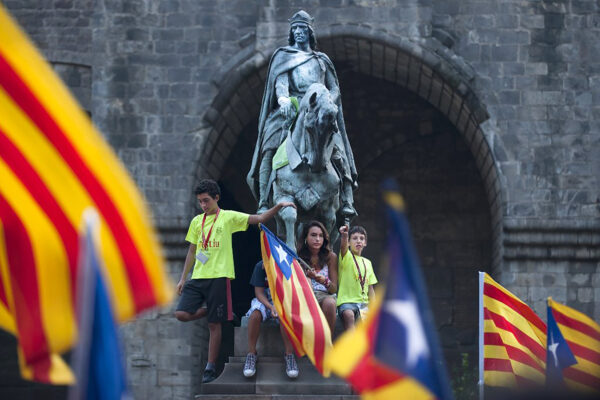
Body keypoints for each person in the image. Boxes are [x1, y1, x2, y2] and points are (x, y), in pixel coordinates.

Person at [174, 179, 295, 384]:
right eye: (200, 202)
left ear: (216, 198)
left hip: (220, 276)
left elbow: (259, 218)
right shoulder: (197, 222)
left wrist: (279, 206)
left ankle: (210, 367)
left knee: (214, 324)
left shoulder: (228, 218)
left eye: (206, 201)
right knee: (181, 314)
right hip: (199, 276)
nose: (203, 205)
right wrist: (183, 278)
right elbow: (192, 251)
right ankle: (221, 311)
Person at [247, 9, 357, 217]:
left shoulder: (321, 60)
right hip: (293, 107)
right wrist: (283, 99)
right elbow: (281, 83)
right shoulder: (284, 57)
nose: (298, 32)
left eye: (302, 28)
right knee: (269, 145)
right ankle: (263, 199)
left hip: (320, 109)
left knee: (338, 148)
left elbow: (334, 89)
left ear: (310, 32)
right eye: (295, 28)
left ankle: (346, 198)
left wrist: (327, 102)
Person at [242, 261, 299, 379]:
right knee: (255, 315)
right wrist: (271, 307)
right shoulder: (260, 266)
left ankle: (289, 355)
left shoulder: (288, 264)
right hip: (265, 300)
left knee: (285, 315)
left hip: (283, 299)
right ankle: (252, 354)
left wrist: (279, 306)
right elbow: (259, 292)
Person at [296, 220, 338, 333]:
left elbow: (334, 289)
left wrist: (323, 280)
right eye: (313, 235)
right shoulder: (297, 257)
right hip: (303, 295)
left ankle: (327, 343)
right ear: (305, 237)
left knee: (330, 303)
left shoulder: (331, 257)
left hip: (324, 295)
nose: (318, 239)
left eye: (321, 236)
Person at [337, 225, 377, 330]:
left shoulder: (368, 263)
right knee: (349, 315)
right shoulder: (346, 256)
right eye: (354, 238)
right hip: (347, 302)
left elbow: (371, 288)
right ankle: (351, 343)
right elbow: (343, 247)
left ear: (365, 243)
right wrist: (345, 235)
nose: (358, 241)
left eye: (361, 238)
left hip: (364, 304)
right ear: (349, 243)